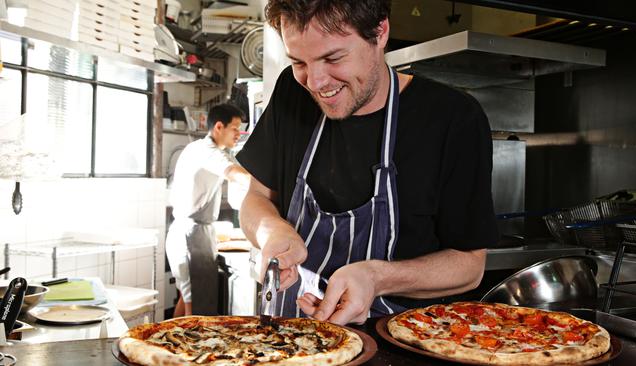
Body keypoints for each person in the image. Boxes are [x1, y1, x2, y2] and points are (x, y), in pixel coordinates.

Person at [237, 0, 498, 325]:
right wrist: (272, 232)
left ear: (379, 32)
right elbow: (256, 198)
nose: (316, 83)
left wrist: (378, 277)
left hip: (401, 344)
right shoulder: (292, 93)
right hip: (293, 338)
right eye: (299, 62)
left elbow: (470, 266)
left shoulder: (452, 118)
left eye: (332, 58)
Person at [166, 103, 250, 317]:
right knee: (196, 311)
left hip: (190, 233)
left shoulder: (206, 148)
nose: (239, 134)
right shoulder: (208, 151)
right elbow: (236, 174)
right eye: (235, 129)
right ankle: (185, 351)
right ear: (219, 127)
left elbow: (239, 167)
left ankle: (168, 347)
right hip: (191, 237)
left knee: (187, 302)